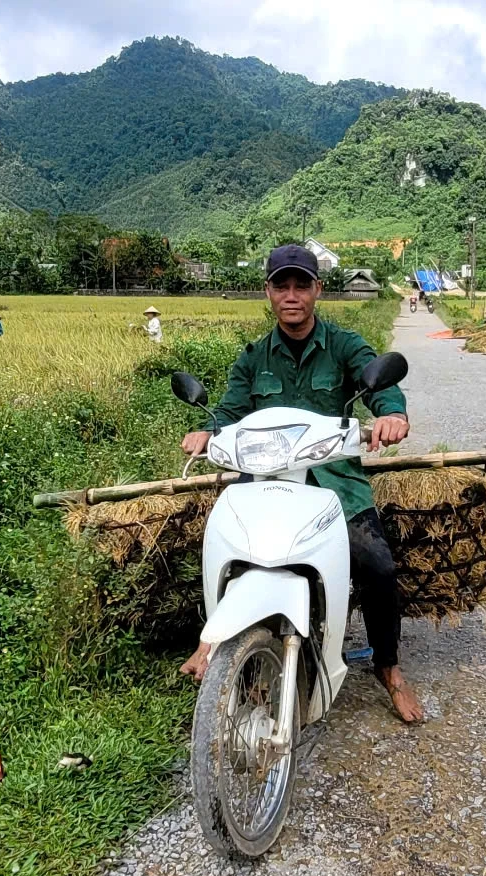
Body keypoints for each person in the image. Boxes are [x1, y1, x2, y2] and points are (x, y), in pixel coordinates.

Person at [179, 244, 423, 723]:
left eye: (301, 285)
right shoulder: (253, 359)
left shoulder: (345, 345)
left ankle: (388, 668)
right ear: (268, 291)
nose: (292, 295)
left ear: (317, 290)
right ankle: (218, 640)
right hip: (265, 485)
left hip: (334, 487)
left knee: (377, 567)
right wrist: (208, 430)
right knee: (225, 551)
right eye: (281, 285)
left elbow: (380, 386)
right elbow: (229, 411)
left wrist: (393, 413)